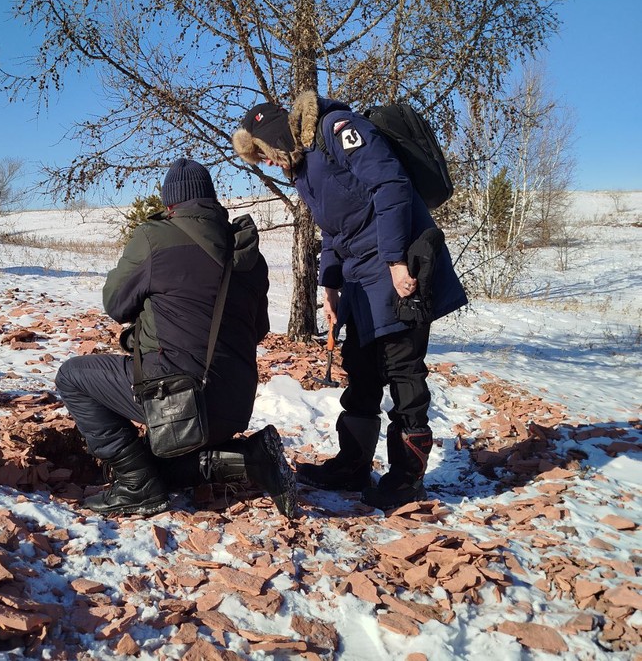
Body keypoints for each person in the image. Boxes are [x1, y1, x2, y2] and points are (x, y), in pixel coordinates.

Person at [233, 91, 467, 510]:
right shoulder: (304, 169)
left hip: (400, 264)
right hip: (361, 278)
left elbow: (391, 185)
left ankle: (406, 480)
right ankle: (353, 466)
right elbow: (334, 231)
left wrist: (396, 261)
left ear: (277, 138)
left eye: (263, 153)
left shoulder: (338, 129)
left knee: (403, 370)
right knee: (361, 369)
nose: (265, 163)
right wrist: (330, 288)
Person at [55, 158, 296, 519]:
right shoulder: (247, 251)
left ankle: (135, 485)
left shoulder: (155, 238)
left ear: (170, 205)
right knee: (157, 462)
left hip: (181, 400)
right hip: (235, 403)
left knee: (72, 376)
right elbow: (259, 329)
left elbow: (115, 303)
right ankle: (253, 457)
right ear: (212, 200)